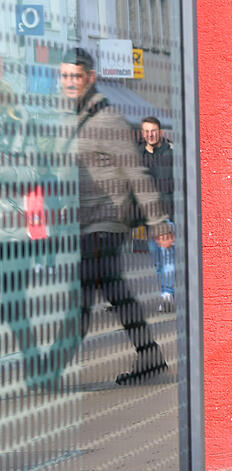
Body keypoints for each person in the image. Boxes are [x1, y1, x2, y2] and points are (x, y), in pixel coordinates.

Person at [56, 48, 171, 385]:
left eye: (76, 76)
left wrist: (158, 223)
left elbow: (136, 174)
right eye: (64, 76)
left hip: (106, 222)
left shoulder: (108, 119)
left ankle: (51, 369)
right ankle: (151, 357)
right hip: (86, 222)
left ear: (90, 78)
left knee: (82, 296)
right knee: (115, 292)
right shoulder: (75, 118)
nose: (69, 82)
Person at [140, 116, 176, 310]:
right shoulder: (138, 155)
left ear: (160, 132)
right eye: (146, 131)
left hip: (166, 216)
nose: (150, 134)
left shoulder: (170, 154)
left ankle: (167, 295)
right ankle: (166, 292)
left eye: (153, 131)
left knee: (167, 258)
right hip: (148, 219)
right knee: (157, 262)